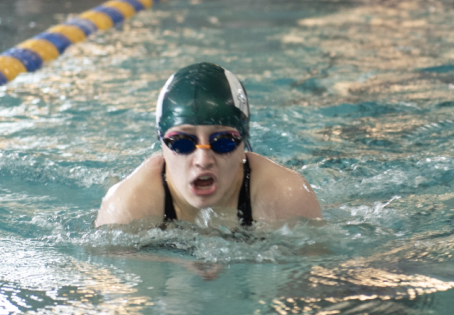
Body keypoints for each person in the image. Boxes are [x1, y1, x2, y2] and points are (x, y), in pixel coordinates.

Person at [95, 63, 322, 227]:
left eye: (223, 142)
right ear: (161, 143)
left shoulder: (287, 198)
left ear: (244, 142)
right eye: (183, 143)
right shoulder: (127, 209)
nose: (203, 160)